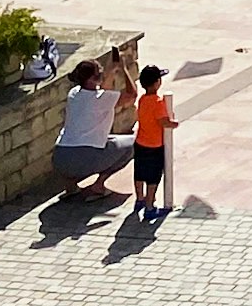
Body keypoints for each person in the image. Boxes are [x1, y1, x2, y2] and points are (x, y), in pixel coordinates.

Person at [56, 59, 125, 194]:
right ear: (90, 79)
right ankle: (99, 185)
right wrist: (124, 70)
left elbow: (102, 93)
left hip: (60, 157)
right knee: (132, 145)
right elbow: (131, 94)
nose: (101, 77)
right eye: (98, 75)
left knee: (110, 140)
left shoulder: (74, 93)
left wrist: (108, 75)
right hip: (84, 158)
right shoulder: (98, 100)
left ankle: (71, 185)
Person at [129, 63, 174, 220]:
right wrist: (173, 123)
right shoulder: (158, 102)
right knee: (153, 176)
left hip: (140, 142)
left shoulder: (142, 100)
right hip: (154, 146)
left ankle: (139, 199)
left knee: (139, 173)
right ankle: (149, 207)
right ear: (157, 82)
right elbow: (163, 122)